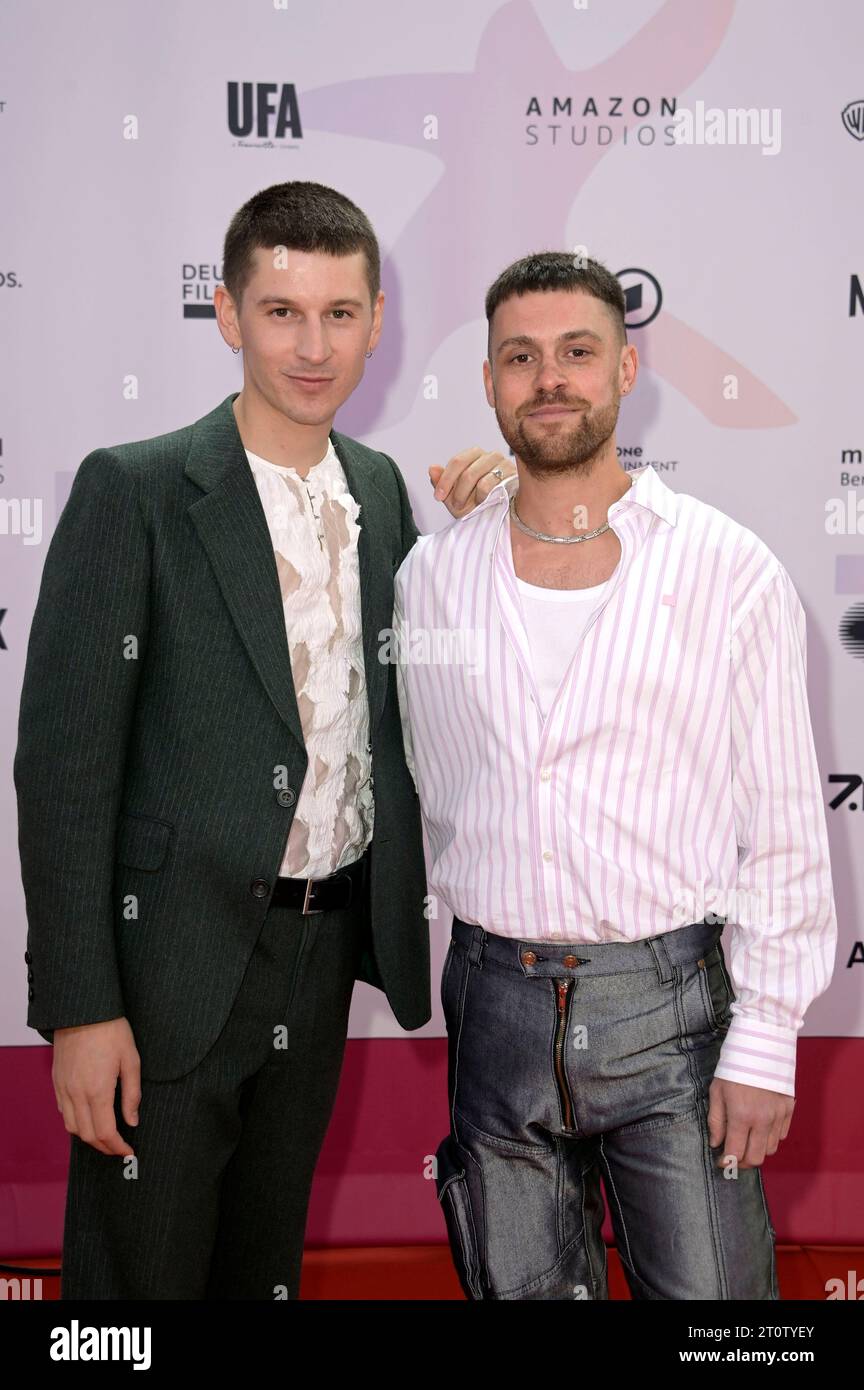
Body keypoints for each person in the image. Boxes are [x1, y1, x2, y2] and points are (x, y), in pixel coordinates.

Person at [14, 180, 513, 1300]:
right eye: (282, 310)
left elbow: (442, 679)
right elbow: (64, 771)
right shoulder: (134, 488)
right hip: (166, 968)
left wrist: (503, 507)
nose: (311, 343)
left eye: (339, 313)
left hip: (321, 953)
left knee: (263, 1266)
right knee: (138, 1289)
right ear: (229, 314)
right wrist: (83, 1007)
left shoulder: (382, 492)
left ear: (378, 323)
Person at [393, 250, 838, 1301]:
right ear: (491, 384)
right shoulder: (430, 581)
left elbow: (780, 820)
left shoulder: (730, 573)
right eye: (521, 357)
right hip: (492, 1004)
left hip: (672, 1010)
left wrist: (768, 1036)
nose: (550, 378)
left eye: (578, 352)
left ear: (626, 370)